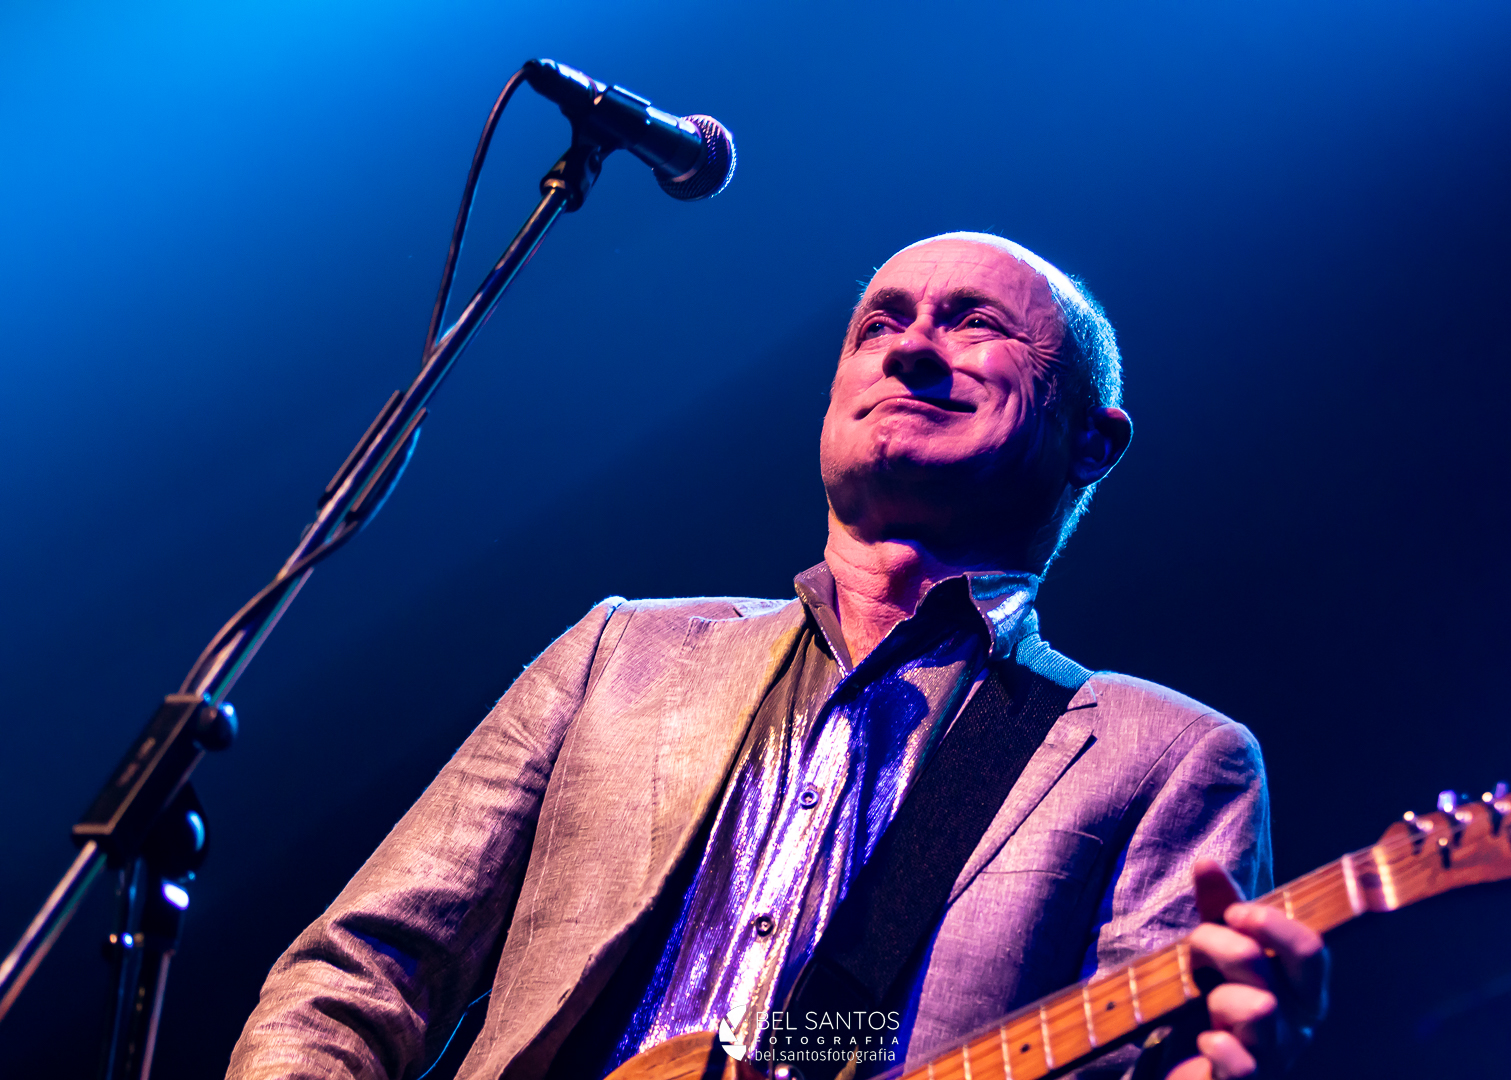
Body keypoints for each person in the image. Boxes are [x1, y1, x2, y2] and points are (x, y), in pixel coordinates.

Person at [225, 234, 1327, 1080]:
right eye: (879, 323)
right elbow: (360, 975)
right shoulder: (620, 653)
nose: (910, 346)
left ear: (1093, 438)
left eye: (974, 324)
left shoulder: (1168, 759)